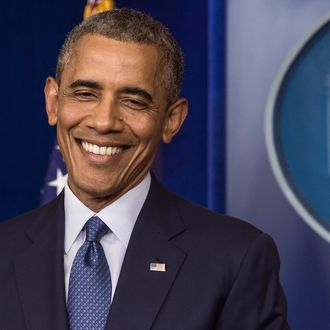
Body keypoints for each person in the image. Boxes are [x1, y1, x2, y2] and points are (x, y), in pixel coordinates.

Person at [0, 8, 290, 330]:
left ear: (172, 120)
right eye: (85, 94)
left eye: (133, 101)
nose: (104, 121)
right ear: (53, 102)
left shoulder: (236, 259)